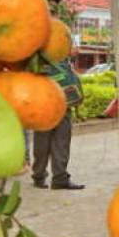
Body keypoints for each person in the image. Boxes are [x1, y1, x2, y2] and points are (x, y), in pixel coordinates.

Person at [32, 59, 85, 190]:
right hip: (55, 104)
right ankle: (56, 177)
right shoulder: (51, 54)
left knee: (44, 142)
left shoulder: (37, 57)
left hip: (48, 104)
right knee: (58, 142)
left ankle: (43, 176)